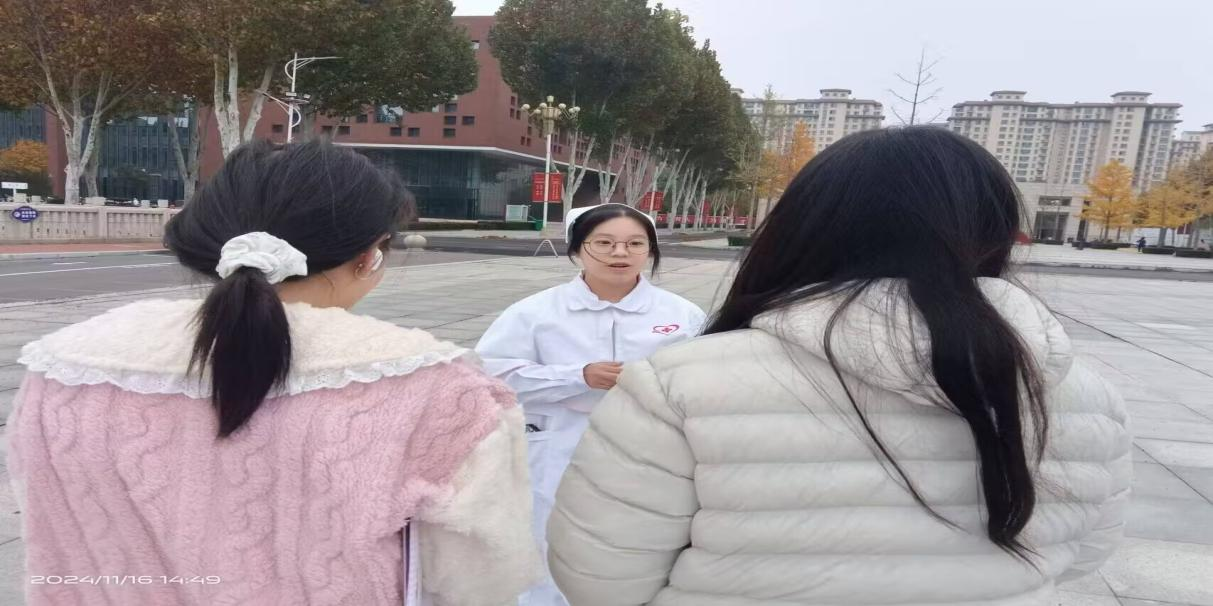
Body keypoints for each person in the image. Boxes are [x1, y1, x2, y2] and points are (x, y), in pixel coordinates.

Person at [547, 127, 1131, 605]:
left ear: (801, 228)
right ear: (994, 232)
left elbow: (602, 578)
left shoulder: (679, 384)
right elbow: (1084, 554)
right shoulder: (1085, 395)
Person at [7, 140, 537, 606]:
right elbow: (478, 578)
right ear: (369, 256)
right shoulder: (439, 390)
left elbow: (50, 526)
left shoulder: (63, 367)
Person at [475, 203, 705, 606]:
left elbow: (705, 375)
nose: (621, 253)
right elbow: (490, 375)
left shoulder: (681, 314)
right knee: (549, 538)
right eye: (604, 243)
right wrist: (576, 376)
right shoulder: (535, 313)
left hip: (651, 450)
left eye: (635, 244)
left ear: (650, 250)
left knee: (639, 540)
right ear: (577, 248)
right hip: (559, 446)